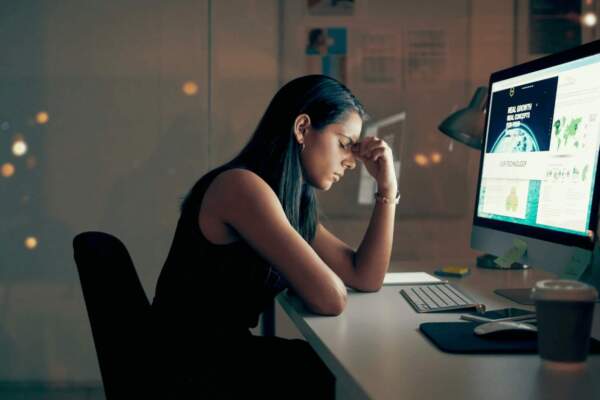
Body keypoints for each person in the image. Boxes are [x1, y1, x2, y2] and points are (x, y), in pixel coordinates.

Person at [151, 75, 397, 398]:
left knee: (329, 369)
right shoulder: (242, 188)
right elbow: (331, 298)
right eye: (344, 143)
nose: (351, 161)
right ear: (302, 128)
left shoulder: (285, 201)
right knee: (334, 374)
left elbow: (364, 276)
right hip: (186, 370)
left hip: (211, 359)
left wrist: (388, 189)